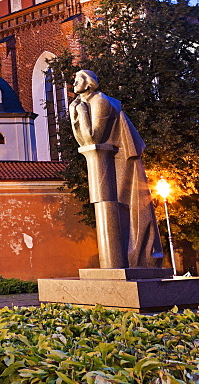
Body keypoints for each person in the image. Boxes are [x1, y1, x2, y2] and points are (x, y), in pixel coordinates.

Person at [69, 70, 163, 269]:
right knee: (108, 205)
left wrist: (80, 112)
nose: (73, 83)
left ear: (88, 83)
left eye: (77, 80)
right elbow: (84, 140)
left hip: (118, 162)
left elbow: (94, 137)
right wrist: (75, 110)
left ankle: (130, 260)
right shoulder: (83, 102)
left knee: (120, 205)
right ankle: (116, 263)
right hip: (103, 160)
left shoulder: (100, 101)